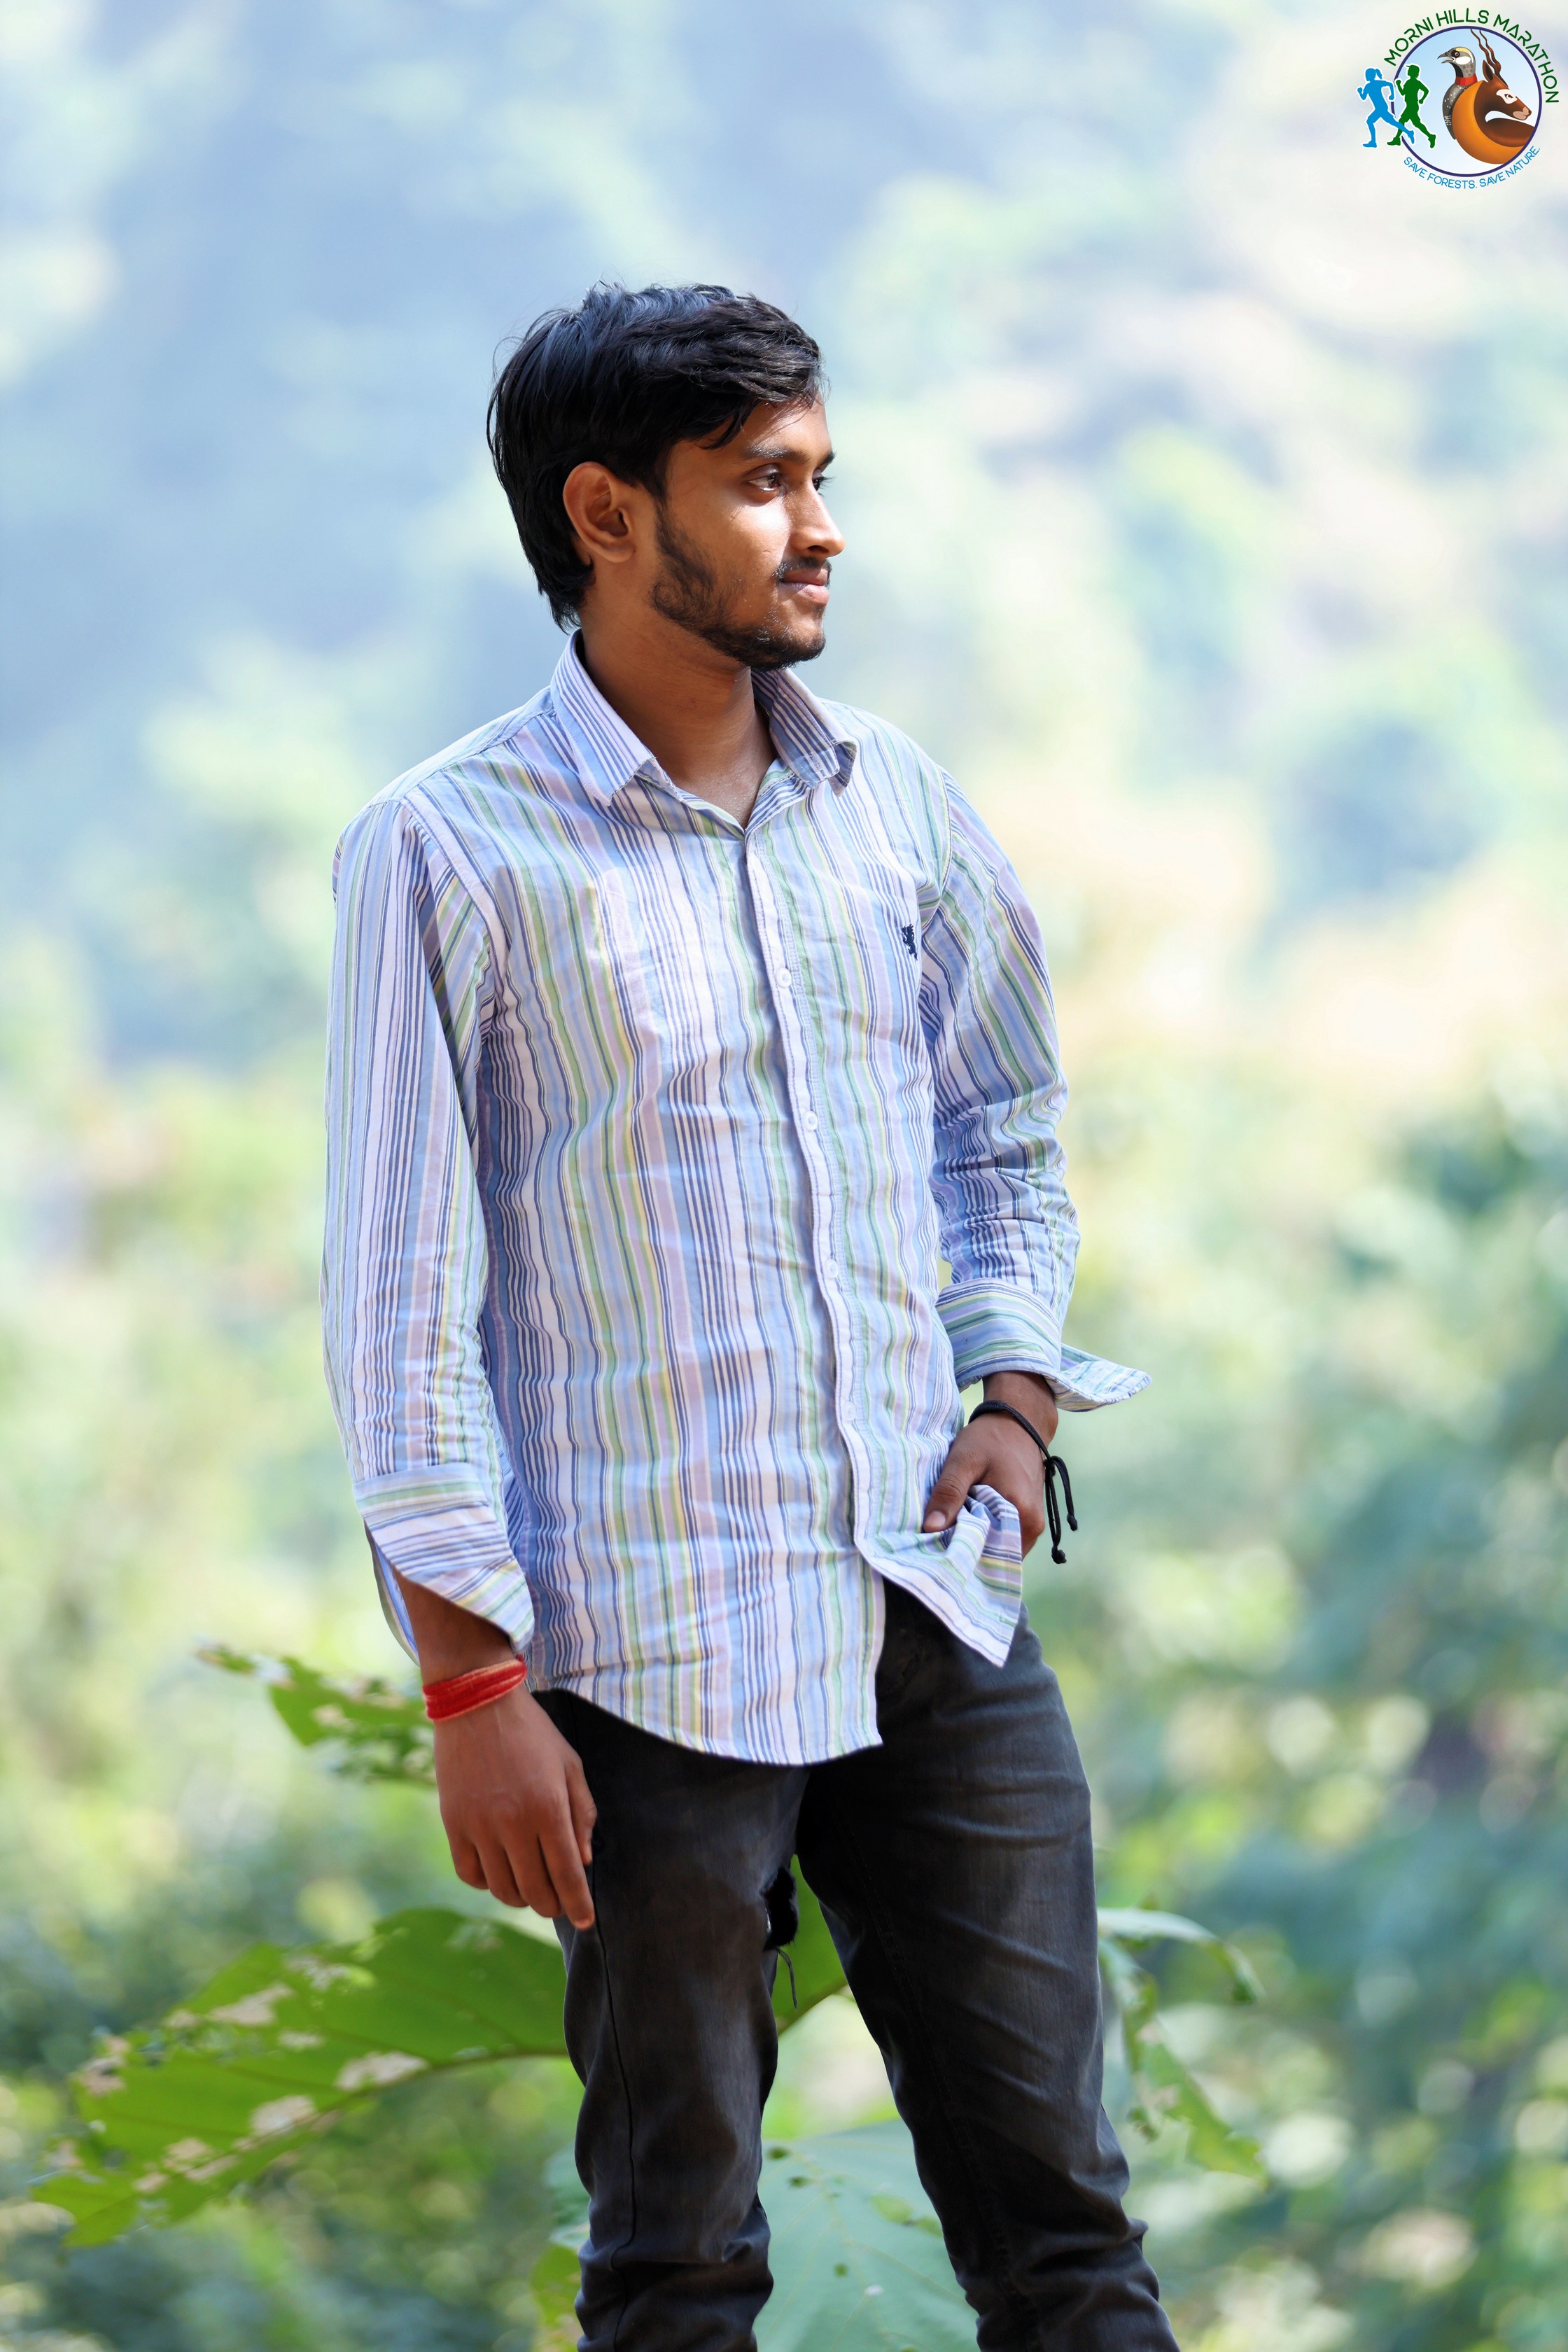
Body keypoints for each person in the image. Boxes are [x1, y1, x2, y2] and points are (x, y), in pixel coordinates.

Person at [323, 282, 1174, 2351]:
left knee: (1067, 2238)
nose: (822, 527)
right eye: (765, 483)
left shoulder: (899, 806)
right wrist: (469, 1682)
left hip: (933, 1606)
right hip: (643, 1662)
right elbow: (401, 1296)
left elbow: (1004, 1121)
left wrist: (1010, 1388)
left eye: (821, 475)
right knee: (677, 2264)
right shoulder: (445, 854)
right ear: (607, 513)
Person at [1394, 60, 1436, 148]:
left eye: (1409, 70)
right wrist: (1398, 85)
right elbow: (1403, 93)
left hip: (1412, 106)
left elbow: (1426, 90)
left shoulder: (1416, 82)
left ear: (1413, 72)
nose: (1408, 71)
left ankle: (1397, 139)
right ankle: (1430, 136)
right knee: (1416, 124)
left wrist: (1422, 99)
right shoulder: (1408, 82)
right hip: (1410, 105)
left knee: (1402, 121)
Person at [1359, 64, 1404, 146]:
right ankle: (1409, 132)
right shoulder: (1371, 85)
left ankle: (1373, 142)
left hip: (1381, 107)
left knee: (1370, 121)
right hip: (1381, 107)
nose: (1365, 77)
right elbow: (1364, 98)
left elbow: (1363, 97)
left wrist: (1392, 95)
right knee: (1392, 122)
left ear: (1370, 76)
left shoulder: (1372, 85)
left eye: (1366, 75)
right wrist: (1392, 95)